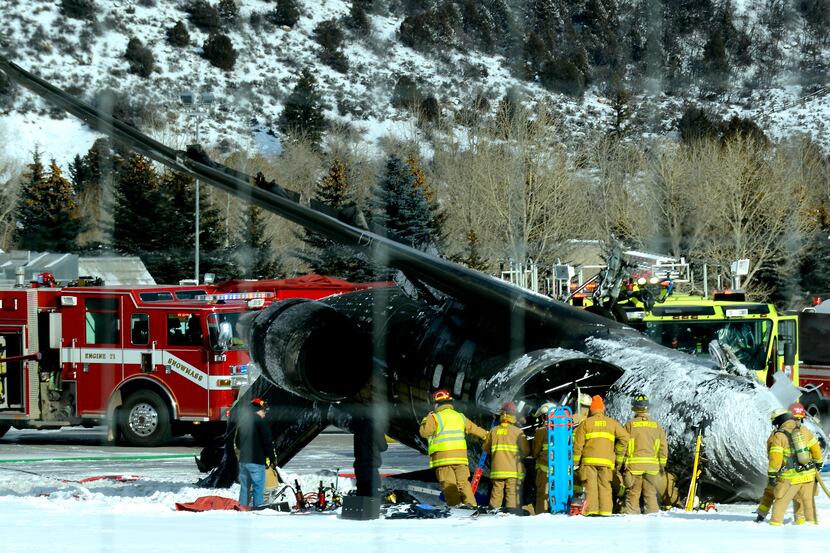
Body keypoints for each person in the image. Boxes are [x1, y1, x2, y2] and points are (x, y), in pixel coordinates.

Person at [419, 389, 487, 507]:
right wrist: (489, 435)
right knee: (463, 483)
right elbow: (475, 430)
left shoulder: (435, 417)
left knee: (449, 484)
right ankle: (472, 506)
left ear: (436, 404)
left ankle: (455, 506)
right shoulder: (460, 417)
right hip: (460, 458)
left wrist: (425, 420)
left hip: (443, 458)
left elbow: (424, 433)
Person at [757, 403, 823, 523]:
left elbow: (774, 458)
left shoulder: (777, 436)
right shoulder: (804, 430)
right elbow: (816, 450)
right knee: (802, 501)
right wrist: (818, 464)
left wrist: (772, 474)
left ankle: (764, 517)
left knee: (773, 495)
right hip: (807, 475)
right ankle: (803, 523)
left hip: (787, 477)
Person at [573, 395, 629, 516]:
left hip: (589, 463)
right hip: (606, 462)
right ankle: (605, 513)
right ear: (602, 409)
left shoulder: (585, 424)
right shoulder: (612, 423)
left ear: (591, 410)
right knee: (605, 487)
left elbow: (578, 445)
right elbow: (625, 438)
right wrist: (617, 456)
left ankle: (591, 512)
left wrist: (575, 463)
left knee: (590, 488)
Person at [622, 393, 668, 514]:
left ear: (635, 408)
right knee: (651, 494)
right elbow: (663, 447)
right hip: (652, 467)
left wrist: (621, 461)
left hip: (634, 466)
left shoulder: (630, 425)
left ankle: (632, 514)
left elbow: (623, 444)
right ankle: (652, 514)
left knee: (633, 493)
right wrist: (662, 464)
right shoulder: (656, 425)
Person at [484, 402, 530, 510]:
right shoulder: (518, 432)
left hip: (497, 471)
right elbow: (526, 451)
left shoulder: (493, 431)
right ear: (513, 416)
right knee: (512, 495)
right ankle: (511, 514)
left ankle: (493, 513)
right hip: (513, 471)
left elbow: (486, 448)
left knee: (496, 494)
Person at [235, 397, 277, 508]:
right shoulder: (262, 423)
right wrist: (272, 459)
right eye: (264, 411)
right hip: (257, 462)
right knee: (258, 487)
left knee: (244, 487)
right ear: (258, 410)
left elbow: (238, 443)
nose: (264, 414)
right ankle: (257, 509)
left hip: (243, 462)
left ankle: (242, 508)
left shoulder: (243, 422)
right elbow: (267, 442)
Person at [531, 401, 556, 514]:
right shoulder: (564, 428)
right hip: (560, 471)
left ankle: (541, 516)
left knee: (542, 495)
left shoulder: (541, 431)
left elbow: (535, 452)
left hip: (544, 470)